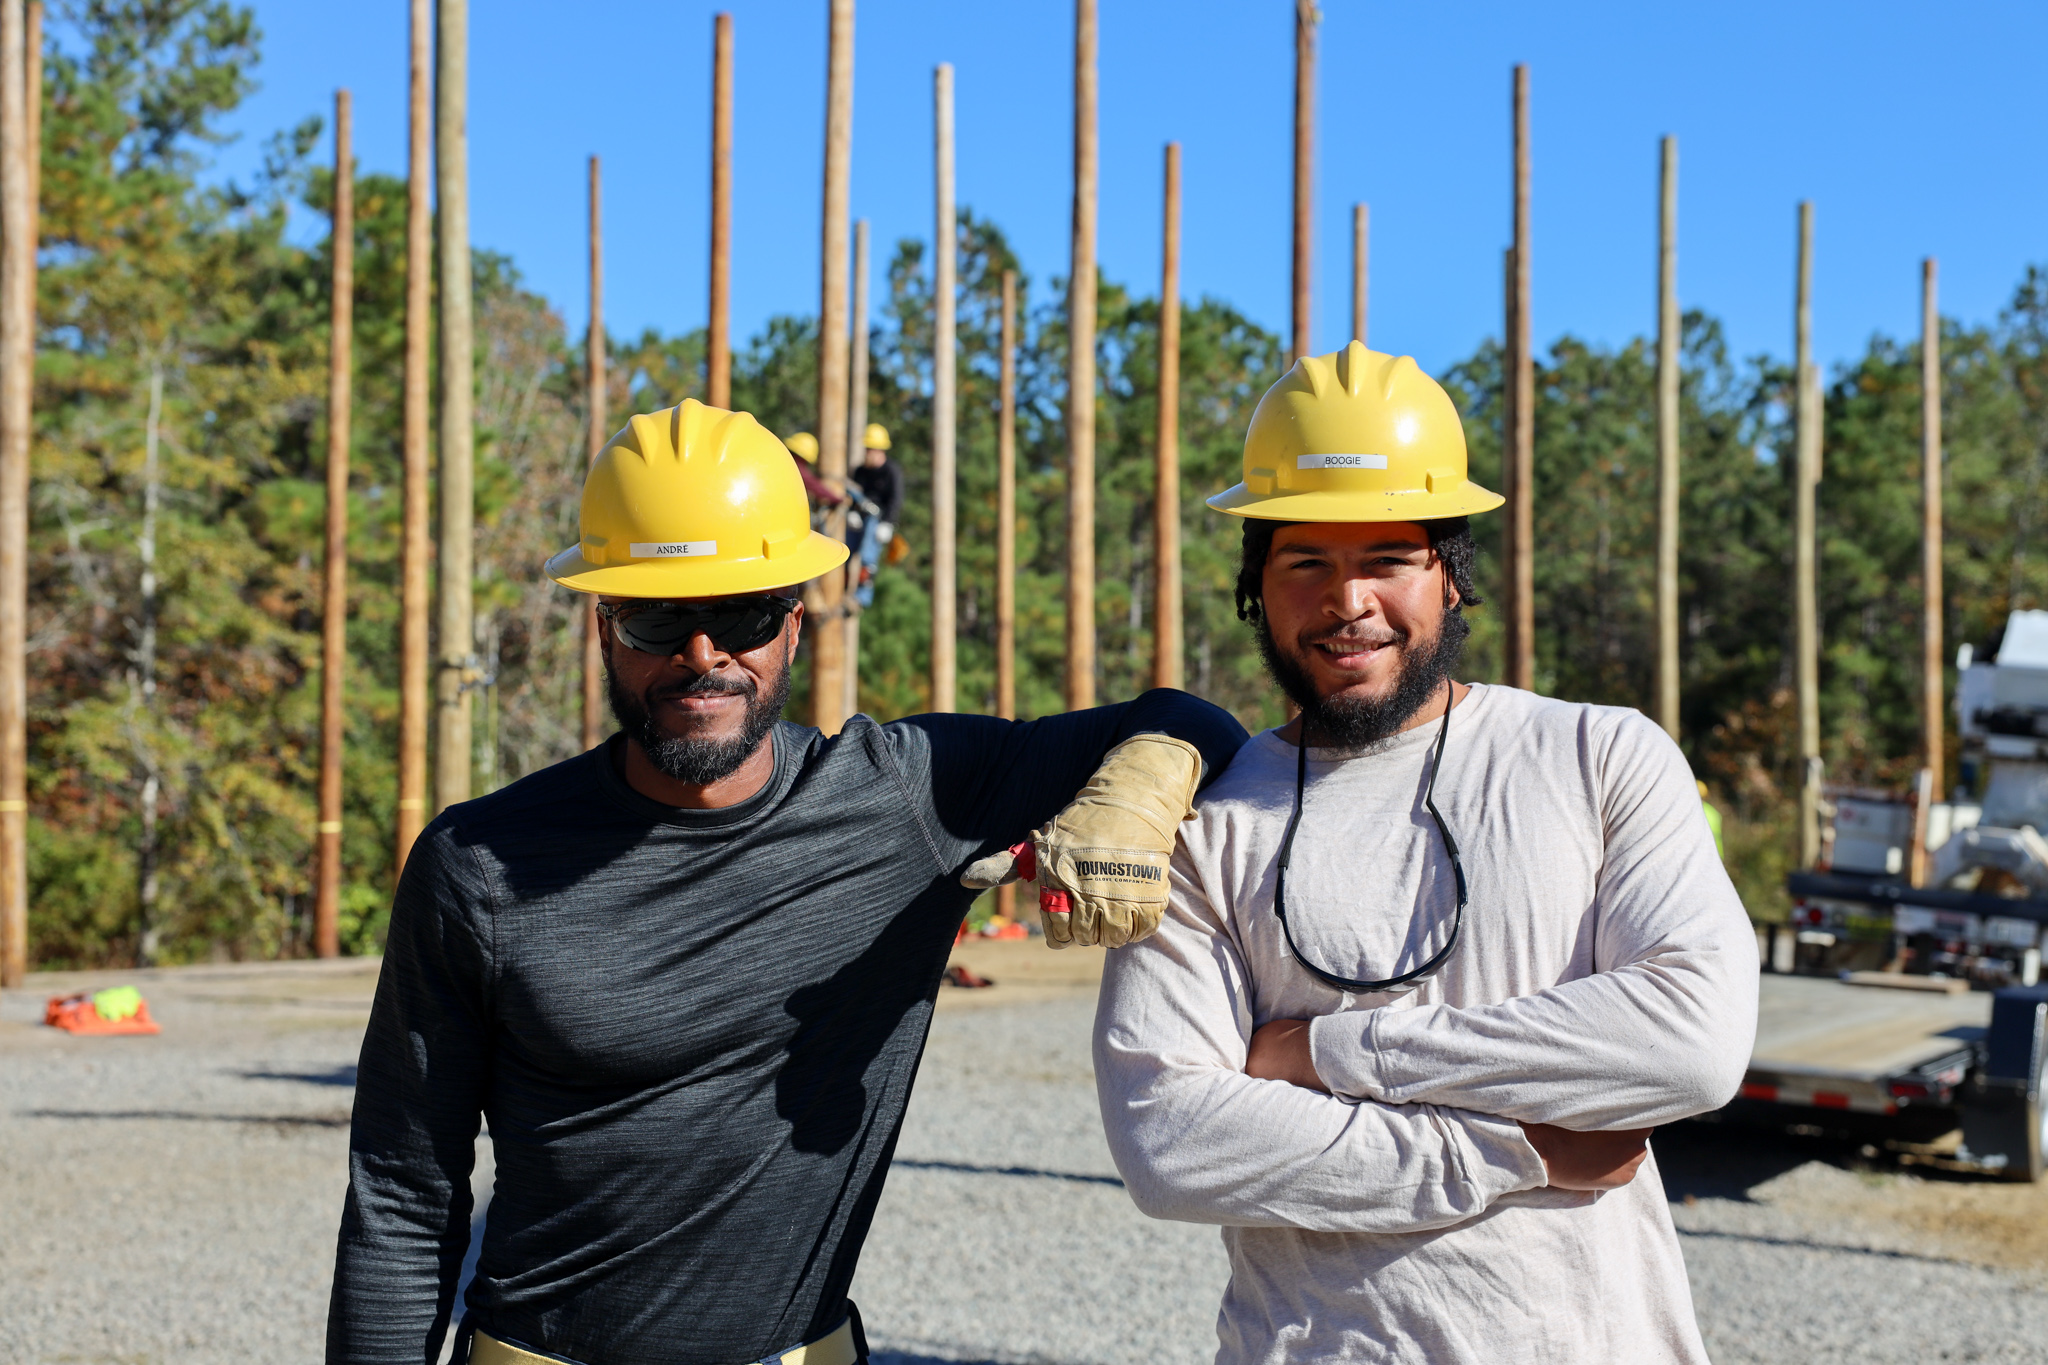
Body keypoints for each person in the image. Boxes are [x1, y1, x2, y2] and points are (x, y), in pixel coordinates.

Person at [328, 400, 1246, 1365]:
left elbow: (1191, 718)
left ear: (794, 627)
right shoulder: (481, 863)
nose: (701, 654)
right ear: (603, 629)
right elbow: (403, 1184)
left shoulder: (905, 800)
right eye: (656, 617)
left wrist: (1134, 794)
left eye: (743, 613)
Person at [1094, 343, 1757, 1364]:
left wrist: (1323, 1053)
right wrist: (1520, 1149)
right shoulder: (1199, 822)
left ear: (1451, 577)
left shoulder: (1595, 754)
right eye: (1304, 560)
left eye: (1386, 559)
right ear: (1253, 588)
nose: (1346, 599)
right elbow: (1170, 1139)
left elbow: (1691, 1040)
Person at [849, 423, 903, 607]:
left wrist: (887, 523)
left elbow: (896, 499)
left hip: (877, 520)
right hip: (860, 516)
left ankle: (862, 597)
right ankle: (842, 590)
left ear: (880, 451)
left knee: (867, 557)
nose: (867, 453)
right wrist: (852, 513)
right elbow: (853, 495)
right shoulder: (860, 471)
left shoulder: (891, 472)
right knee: (845, 552)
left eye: (870, 449)